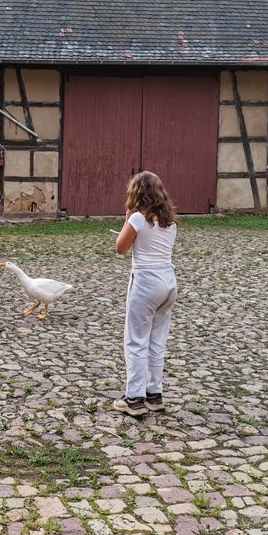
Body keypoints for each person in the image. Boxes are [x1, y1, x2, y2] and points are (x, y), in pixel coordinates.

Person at [112, 171, 178, 417]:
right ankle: (154, 394)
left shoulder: (138, 219)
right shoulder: (169, 221)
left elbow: (120, 247)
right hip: (168, 281)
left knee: (136, 340)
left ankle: (134, 398)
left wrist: (126, 221)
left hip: (146, 282)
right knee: (157, 341)